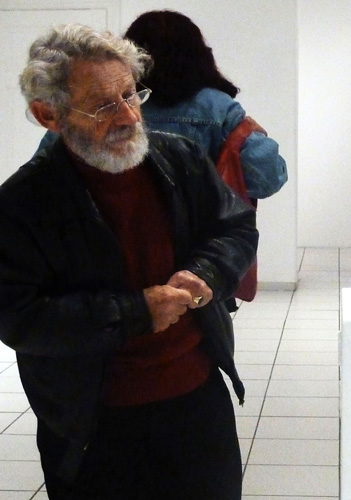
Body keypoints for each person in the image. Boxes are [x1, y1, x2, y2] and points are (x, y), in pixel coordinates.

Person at [0, 23, 258, 499]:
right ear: (48, 114)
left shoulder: (179, 158)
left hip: (196, 404)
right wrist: (135, 313)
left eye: (130, 95)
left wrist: (207, 272)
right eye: (102, 105)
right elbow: (18, 317)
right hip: (93, 427)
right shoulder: (22, 204)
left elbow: (235, 227)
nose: (127, 116)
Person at [124, 10, 287, 201]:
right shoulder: (217, 107)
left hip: (126, 218)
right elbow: (269, 178)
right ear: (197, 55)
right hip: (205, 220)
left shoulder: (119, 106)